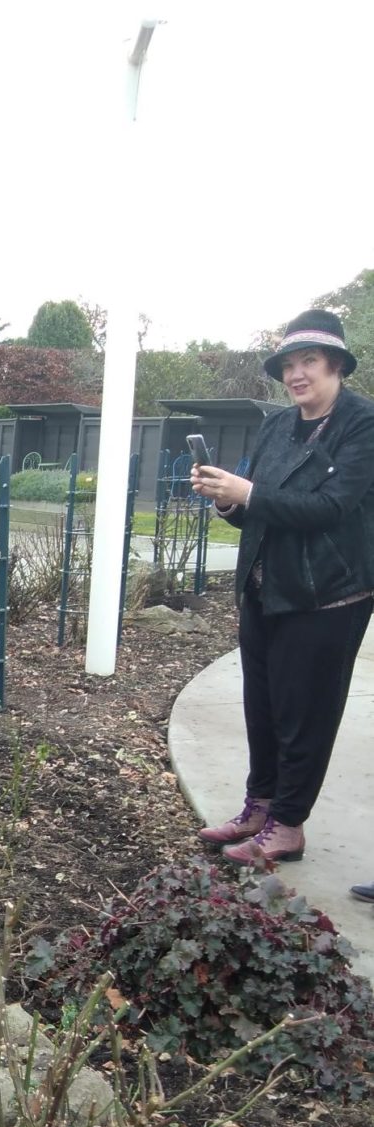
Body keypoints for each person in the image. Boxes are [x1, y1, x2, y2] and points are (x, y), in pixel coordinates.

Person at [192, 309, 374, 870]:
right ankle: (259, 807)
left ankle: (288, 825)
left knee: (305, 714)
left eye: (310, 362)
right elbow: (261, 510)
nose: (297, 375)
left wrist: (247, 491)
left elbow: (329, 508)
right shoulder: (276, 425)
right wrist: (227, 499)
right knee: (263, 707)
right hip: (265, 589)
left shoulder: (361, 425)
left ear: (336, 365)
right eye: (289, 365)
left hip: (328, 596)